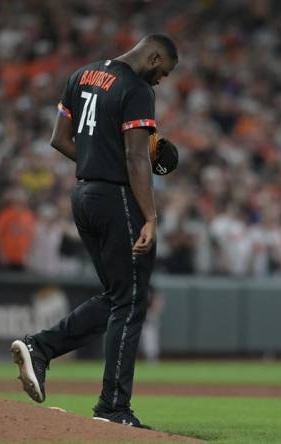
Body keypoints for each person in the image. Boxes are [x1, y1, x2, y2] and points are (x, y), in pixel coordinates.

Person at [10, 34, 178, 429]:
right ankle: (113, 408)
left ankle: (41, 347)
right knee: (133, 300)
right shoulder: (136, 88)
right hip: (116, 198)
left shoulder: (81, 75)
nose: (161, 81)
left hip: (83, 195)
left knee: (119, 296)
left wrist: (99, 162)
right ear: (153, 56)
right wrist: (151, 217)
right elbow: (137, 156)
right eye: (163, 71)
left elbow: (59, 139)